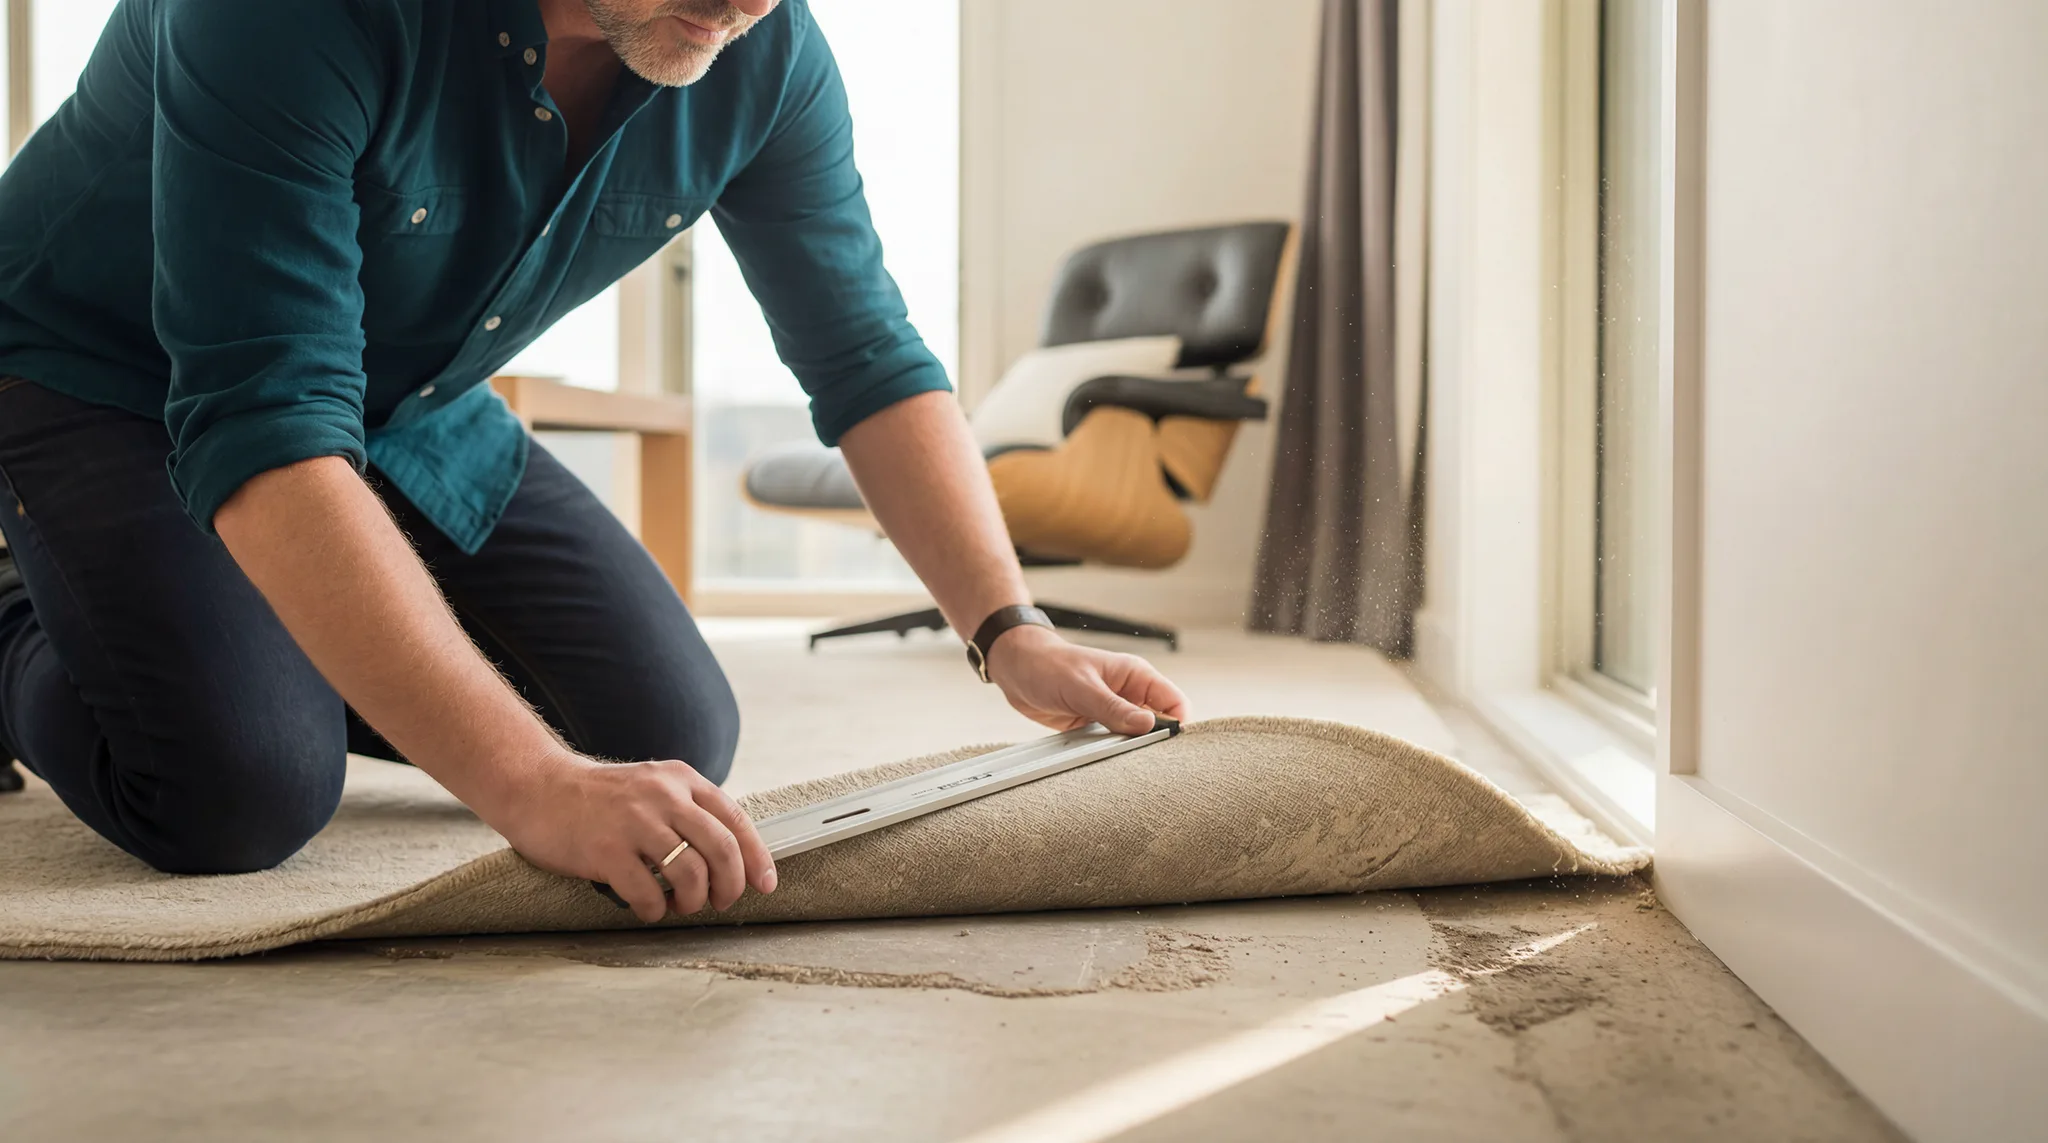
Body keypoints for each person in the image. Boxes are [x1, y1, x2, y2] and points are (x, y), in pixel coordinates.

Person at [0, 0, 1189, 924]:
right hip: (96, 375)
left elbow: (866, 352)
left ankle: (254, 647)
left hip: (403, 400)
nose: (741, 4)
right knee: (241, 787)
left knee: (659, 735)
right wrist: (520, 783)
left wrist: (1006, 627)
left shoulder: (758, 53)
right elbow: (264, 412)